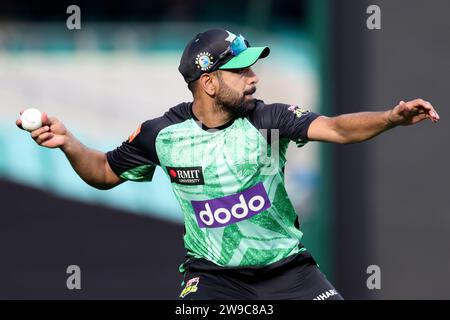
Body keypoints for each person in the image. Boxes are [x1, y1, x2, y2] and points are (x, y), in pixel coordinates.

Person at [16, 29, 440, 300]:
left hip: (289, 274)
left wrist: (389, 118)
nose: (253, 76)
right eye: (240, 69)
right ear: (210, 82)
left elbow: (337, 129)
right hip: (214, 280)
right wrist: (68, 142)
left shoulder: (268, 120)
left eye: (252, 66)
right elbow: (104, 173)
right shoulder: (161, 134)